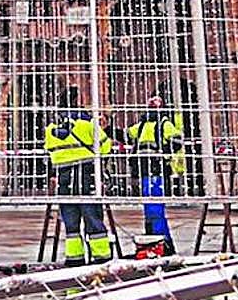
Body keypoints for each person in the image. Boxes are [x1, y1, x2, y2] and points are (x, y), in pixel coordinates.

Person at [43, 87, 113, 267]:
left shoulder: (52, 126)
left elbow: (49, 151)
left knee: (70, 219)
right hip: (86, 174)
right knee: (92, 217)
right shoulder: (86, 123)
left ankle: (75, 257)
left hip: (63, 176)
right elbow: (105, 147)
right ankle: (101, 257)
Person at [127, 94, 184, 256]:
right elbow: (125, 135)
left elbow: (178, 141)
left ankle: (161, 244)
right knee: (150, 210)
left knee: (155, 210)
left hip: (157, 171)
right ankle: (158, 244)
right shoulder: (141, 125)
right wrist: (107, 128)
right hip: (145, 171)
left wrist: (164, 154)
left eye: (156, 102)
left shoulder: (164, 124)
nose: (152, 104)